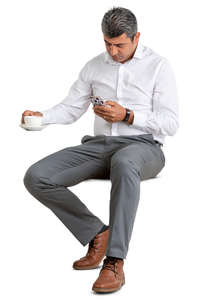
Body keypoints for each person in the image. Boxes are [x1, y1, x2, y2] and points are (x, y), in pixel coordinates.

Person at [22, 6, 179, 293]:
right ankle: (97, 233)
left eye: (119, 44)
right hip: (99, 147)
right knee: (36, 176)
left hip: (144, 148)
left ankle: (115, 261)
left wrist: (128, 116)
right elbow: (71, 108)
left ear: (136, 37)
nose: (113, 50)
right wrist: (41, 117)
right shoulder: (94, 65)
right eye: (107, 43)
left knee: (124, 161)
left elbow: (171, 123)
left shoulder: (159, 66)